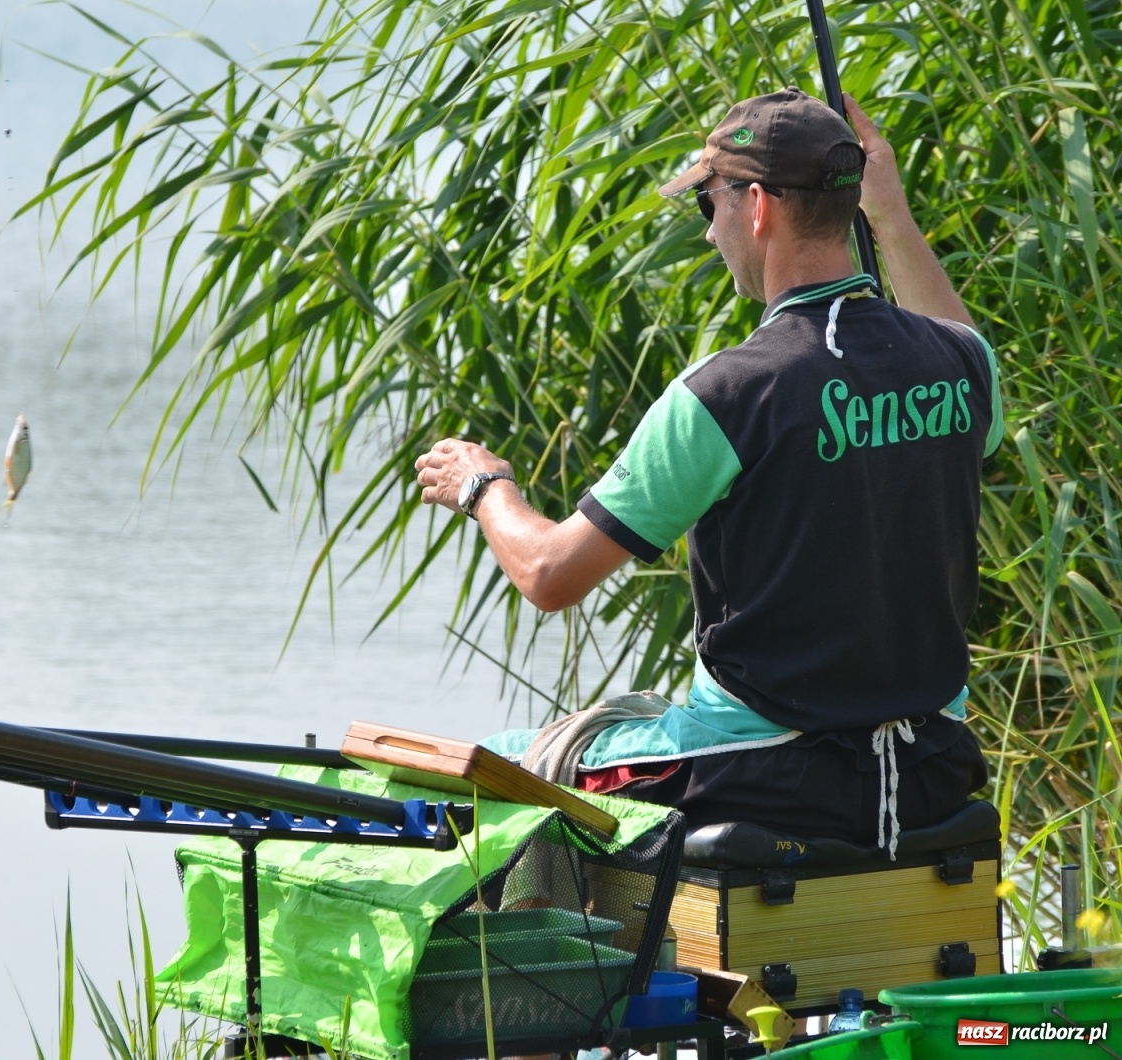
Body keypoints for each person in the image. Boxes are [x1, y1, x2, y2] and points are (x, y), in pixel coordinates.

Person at [413, 88, 1002, 853]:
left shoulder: (725, 394)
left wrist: (483, 487)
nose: (709, 233)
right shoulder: (960, 364)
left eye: (708, 206)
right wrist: (887, 214)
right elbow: (952, 332)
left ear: (756, 206)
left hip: (763, 772)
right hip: (933, 767)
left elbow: (549, 574)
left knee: (489, 766)